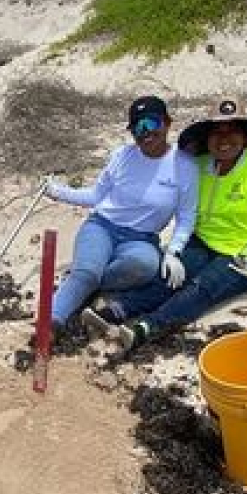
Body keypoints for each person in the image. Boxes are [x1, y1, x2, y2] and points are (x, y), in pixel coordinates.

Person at [81, 97, 247, 351]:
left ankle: (148, 327)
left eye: (233, 130)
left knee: (202, 287)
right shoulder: (200, 165)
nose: (224, 138)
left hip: (243, 256)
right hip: (202, 241)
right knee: (168, 276)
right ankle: (119, 310)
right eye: (217, 132)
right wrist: (173, 250)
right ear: (207, 138)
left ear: (246, 136)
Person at [42, 95, 198, 340]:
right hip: (101, 227)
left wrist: (173, 251)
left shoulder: (185, 165)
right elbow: (95, 196)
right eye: (137, 127)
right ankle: (52, 321)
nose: (145, 133)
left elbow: (187, 217)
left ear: (167, 123)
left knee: (146, 266)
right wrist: (57, 192)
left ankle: (84, 280)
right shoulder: (121, 156)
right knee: (87, 273)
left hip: (142, 240)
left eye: (151, 123)